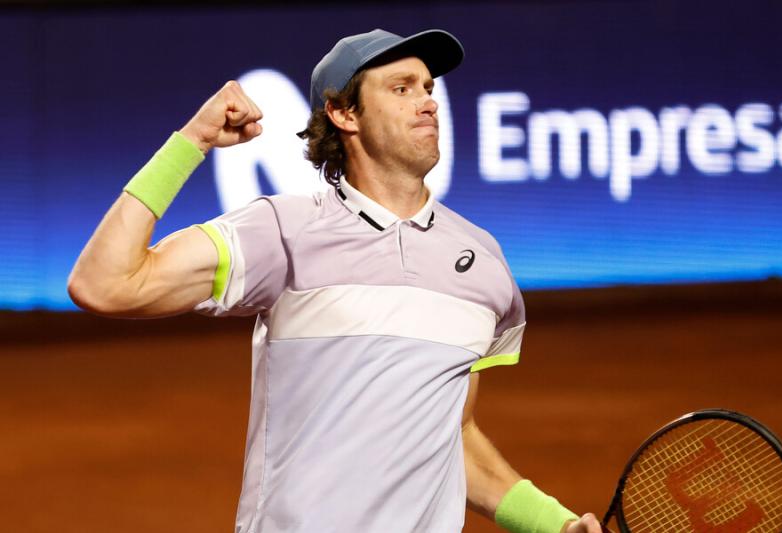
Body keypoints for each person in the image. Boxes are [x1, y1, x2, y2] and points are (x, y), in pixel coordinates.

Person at [68, 28, 602, 533]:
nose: (428, 103)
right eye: (402, 88)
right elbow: (105, 283)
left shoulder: (482, 263)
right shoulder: (280, 231)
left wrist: (550, 521)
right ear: (344, 113)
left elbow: (451, 433)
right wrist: (194, 140)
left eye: (428, 88)